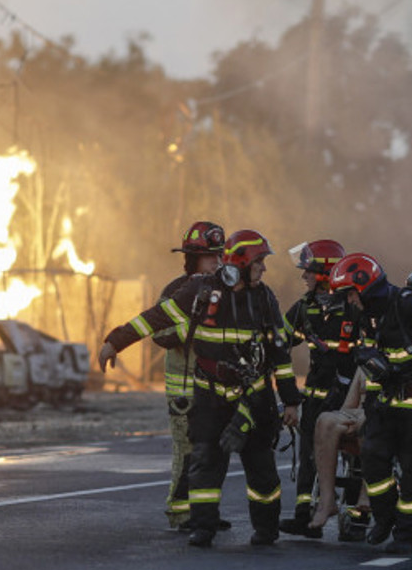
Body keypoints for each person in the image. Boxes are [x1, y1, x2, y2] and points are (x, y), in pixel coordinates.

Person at [99, 229, 301, 548]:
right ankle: (203, 526)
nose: (264, 269)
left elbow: (280, 355)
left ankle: (266, 528)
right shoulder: (200, 290)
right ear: (242, 262)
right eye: (260, 262)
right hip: (210, 394)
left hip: (254, 397)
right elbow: (156, 318)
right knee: (205, 460)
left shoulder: (265, 298)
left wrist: (290, 401)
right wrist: (115, 342)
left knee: (261, 466)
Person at [325, 252, 412, 554]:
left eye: (350, 294)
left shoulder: (408, 303)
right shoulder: (364, 315)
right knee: (373, 460)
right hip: (384, 405)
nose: (349, 301)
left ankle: (407, 535)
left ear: (364, 287)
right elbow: (363, 354)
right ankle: (384, 518)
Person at [277, 239, 357, 540]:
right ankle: (304, 515)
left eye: (308, 271)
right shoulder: (304, 307)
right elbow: (279, 343)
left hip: (347, 399)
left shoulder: (352, 306)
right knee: (309, 454)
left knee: (354, 457)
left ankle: (355, 516)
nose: (303, 277)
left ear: (325, 273)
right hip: (313, 398)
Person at [153, 220, 225, 530]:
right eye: (212, 257)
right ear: (193, 258)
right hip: (184, 389)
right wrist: (195, 327)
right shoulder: (175, 291)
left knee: (212, 452)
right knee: (187, 452)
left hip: (214, 386)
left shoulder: (223, 290)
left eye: (220, 256)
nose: (218, 262)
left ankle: (205, 512)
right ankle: (180, 513)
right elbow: (160, 332)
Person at [305, 366, 368, 533]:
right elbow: (347, 407)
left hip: (385, 418)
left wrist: (362, 417)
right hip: (358, 414)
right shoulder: (365, 364)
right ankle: (327, 501)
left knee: (368, 424)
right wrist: (347, 422)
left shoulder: (404, 357)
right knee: (325, 420)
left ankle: (367, 492)